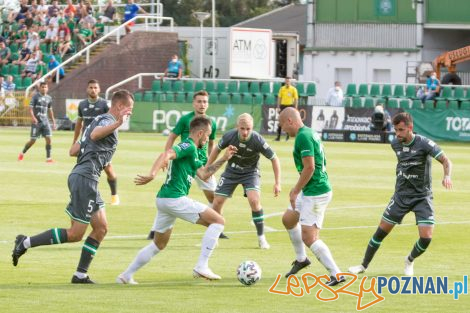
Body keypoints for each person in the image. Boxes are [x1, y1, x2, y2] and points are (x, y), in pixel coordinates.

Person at [12, 90, 134, 284]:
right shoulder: (107, 122)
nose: (130, 113)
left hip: (87, 177)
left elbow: (74, 150)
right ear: (120, 107)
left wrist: (90, 150)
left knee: (101, 228)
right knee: (75, 234)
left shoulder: (98, 119)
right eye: (130, 109)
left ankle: (80, 275)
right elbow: (94, 135)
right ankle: (24, 242)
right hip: (86, 178)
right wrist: (118, 123)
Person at [117, 116, 237, 284]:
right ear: (200, 133)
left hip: (165, 200)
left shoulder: (195, 151)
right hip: (174, 198)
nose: (209, 139)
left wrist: (224, 158)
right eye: (208, 135)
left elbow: (203, 174)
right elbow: (167, 153)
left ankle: (125, 275)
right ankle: (202, 266)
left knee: (159, 244)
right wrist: (152, 174)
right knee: (218, 221)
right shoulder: (188, 145)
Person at [348, 112, 452, 276]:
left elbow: (446, 160)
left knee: (426, 238)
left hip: (422, 197)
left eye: (401, 130)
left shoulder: (424, 143)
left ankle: (409, 260)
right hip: (401, 196)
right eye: (396, 130)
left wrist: (447, 176)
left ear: (410, 128)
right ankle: (363, 266)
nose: (397, 134)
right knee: (380, 232)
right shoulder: (395, 144)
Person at [279, 107, 345, 286]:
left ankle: (336, 274)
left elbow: (310, 167)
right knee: (288, 219)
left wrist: (294, 190)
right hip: (310, 189)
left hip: (316, 193)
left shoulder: (303, 136)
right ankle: (302, 260)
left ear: (290, 121)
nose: (282, 129)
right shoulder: (309, 132)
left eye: (282, 125)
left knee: (309, 237)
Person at [147, 90, 220, 239]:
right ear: (194, 103)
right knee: (172, 193)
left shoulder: (211, 123)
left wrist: (210, 162)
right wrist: (167, 156)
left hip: (200, 164)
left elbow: (212, 144)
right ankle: (155, 229)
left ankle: (215, 224)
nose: (202, 104)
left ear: (208, 104)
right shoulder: (185, 120)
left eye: (205, 101)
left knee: (214, 197)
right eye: (199, 101)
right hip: (185, 160)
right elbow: (172, 137)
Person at [206, 113, 281, 248]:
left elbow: (274, 158)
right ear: (237, 127)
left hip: (250, 172)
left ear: (252, 128)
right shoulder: (229, 136)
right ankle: (215, 234)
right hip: (231, 171)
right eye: (242, 128)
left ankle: (261, 238)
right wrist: (208, 168)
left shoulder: (258, 140)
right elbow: (216, 150)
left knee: (254, 200)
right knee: (217, 202)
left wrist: (277, 183)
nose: (245, 132)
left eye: (248, 129)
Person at [70, 79, 120, 206]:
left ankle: (114, 195)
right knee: (74, 154)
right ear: (87, 89)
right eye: (91, 87)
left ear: (99, 90)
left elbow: (110, 122)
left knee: (108, 170)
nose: (93, 90)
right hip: (85, 140)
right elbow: (79, 124)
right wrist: (75, 140)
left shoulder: (104, 105)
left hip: (100, 143)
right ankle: (81, 191)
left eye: (95, 87)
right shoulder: (82, 105)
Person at [18, 82, 56, 162]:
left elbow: (50, 110)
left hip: (45, 122)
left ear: (47, 88)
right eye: (42, 87)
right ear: (40, 88)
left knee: (49, 139)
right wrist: (33, 117)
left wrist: (53, 121)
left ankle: (48, 158)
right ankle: (22, 153)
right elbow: (30, 108)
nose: (44, 88)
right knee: (33, 141)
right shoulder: (35, 97)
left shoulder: (49, 98)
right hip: (36, 123)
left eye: (45, 87)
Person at [275, 77, 298, 141]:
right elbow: (279, 98)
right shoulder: (282, 89)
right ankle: (278, 137)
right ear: (285, 82)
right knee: (280, 121)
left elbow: (296, 99)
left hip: (290, 106)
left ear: (290, 82)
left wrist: (295, 108)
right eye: (286, 81)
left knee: (289, 121)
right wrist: (278, 107)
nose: (287, 82)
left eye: (288, 81)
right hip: (283, 106)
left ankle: (287, 136)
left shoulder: (293, 89)